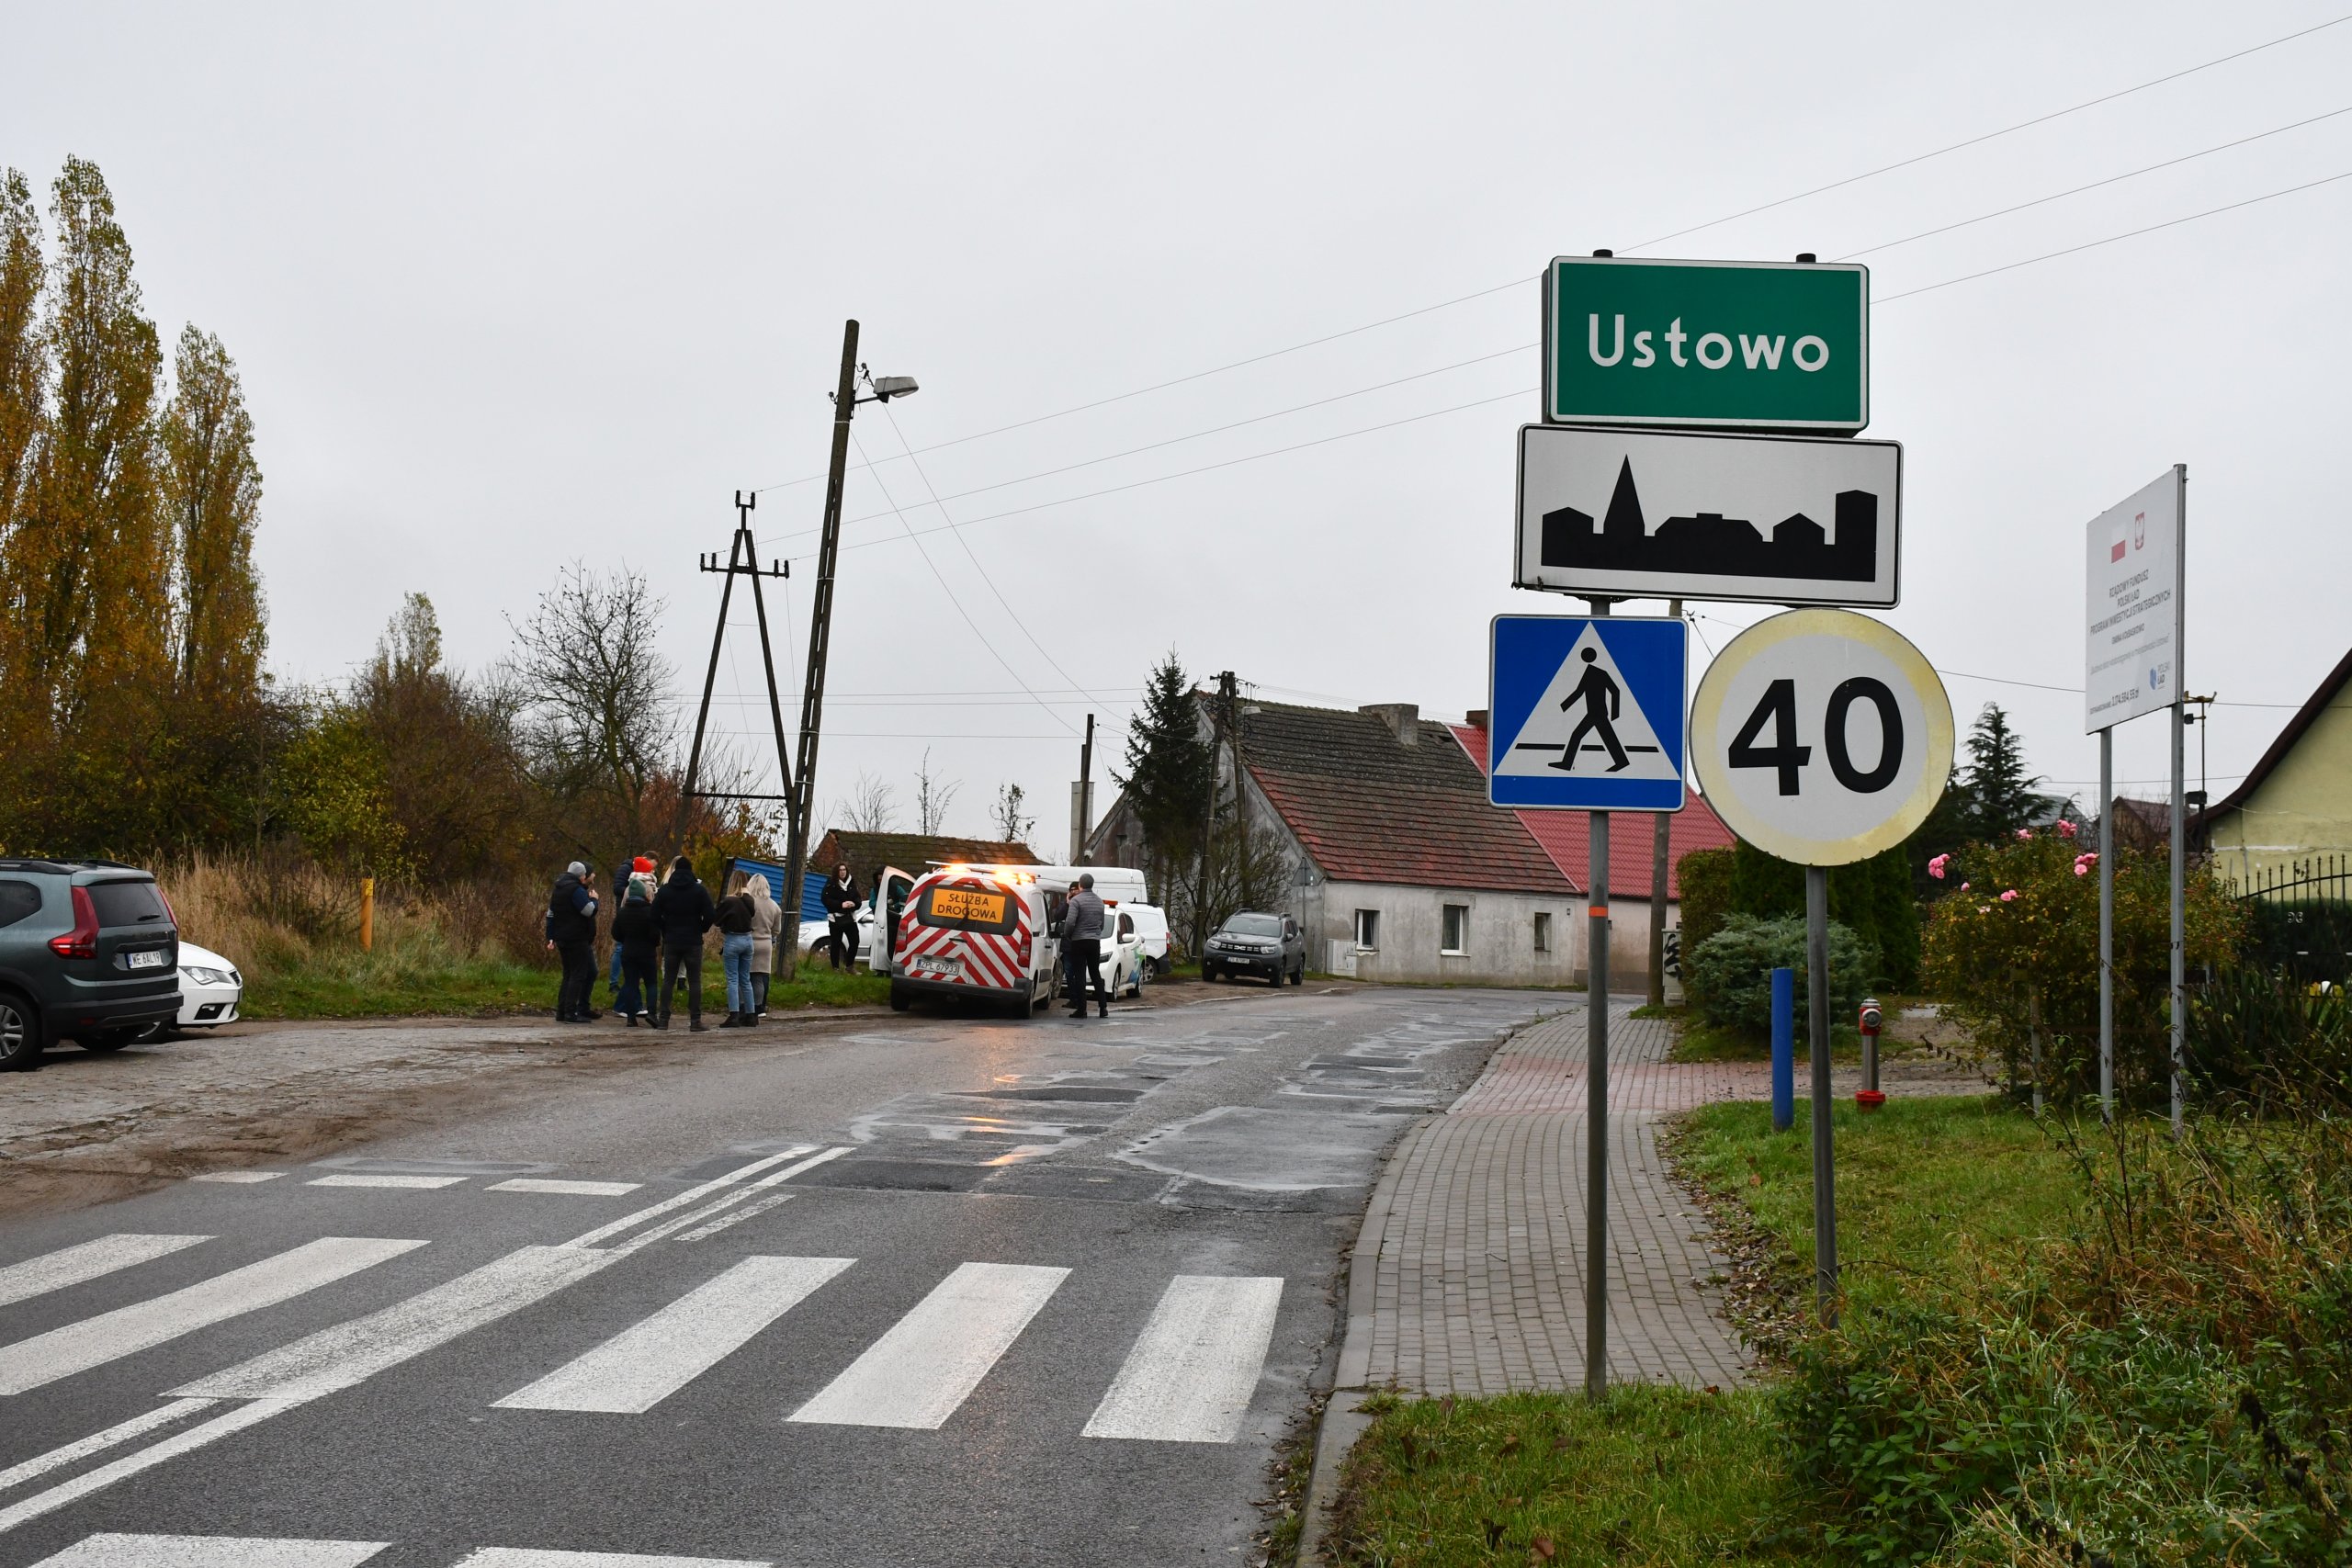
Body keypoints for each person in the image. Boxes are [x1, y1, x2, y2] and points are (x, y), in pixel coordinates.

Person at [652, 855, 715, 1031]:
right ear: (690, 870)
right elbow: (711, 914)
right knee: (694, 981)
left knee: (668, 980)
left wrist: (665, 929)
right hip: (693, 941)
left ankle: (663, 1019)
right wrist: (702, 928)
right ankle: (695, 1021)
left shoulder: (665, 891)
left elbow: (653, 915)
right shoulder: (699, 890)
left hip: (671, 939)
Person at [545, 861, 600, 1022]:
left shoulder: (558, 889)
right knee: (578, 975)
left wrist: (551, 936)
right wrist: (595, 900)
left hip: (562, 938)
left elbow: (551, 915)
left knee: (568, 975)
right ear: (581, 875)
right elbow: (588, 911)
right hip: (576, 938)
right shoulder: (576, 890)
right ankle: (570, 1013)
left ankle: (562, 1012)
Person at [609, 875, 660, 1025]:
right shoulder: (650, 911)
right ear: (644, 894)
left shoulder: (622, 912)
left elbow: (615, 933)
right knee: (651, 983)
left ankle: (631, 1018)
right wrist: (653, 944)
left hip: (628, 952)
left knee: (631, 983)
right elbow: (655, 935)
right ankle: (652, 1013)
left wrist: (625, 940)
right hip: (647, 953)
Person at [1060, 871, 1108, 1019]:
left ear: (1080, 885)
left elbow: (1070, 922)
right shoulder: (1100, 902)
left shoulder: (1076, 901)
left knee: (1079, 975)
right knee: (1095, 973)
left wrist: (1068, 935)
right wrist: (1094, 934)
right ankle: (1103, 1008)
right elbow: (1102, 925)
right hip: (1094, 942)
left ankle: (1082, 1009)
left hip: (1079, 941)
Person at [714, 869, 758, 1028]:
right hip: (748, 940)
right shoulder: (750, 900)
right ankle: (751, 1015)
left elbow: (716, 919)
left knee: (732, 979)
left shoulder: (729, 901)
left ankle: (734, 1015)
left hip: (733, 939)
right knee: (745, 979)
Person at [746, 871, 781, 1018]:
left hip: (749, 940)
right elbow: (777, 930)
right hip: (765, 943)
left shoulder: (748, 902)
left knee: (747, 976)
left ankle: (746, 1006)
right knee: (762, 976)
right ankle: (760, 1007)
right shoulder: (774, 906)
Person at [822, 863, 862, 970]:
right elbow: (825, 900)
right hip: (835, 919)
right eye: (840, 870)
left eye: (844, 869)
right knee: (836, 943)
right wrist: (840, 905)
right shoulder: (831, 883)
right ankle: (835, 967)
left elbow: (858, 898)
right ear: (837, 872)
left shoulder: (851, 883)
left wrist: (854, 904)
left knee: (855, 941)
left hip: (850, 917)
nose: (843, 872)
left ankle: (849, 966)